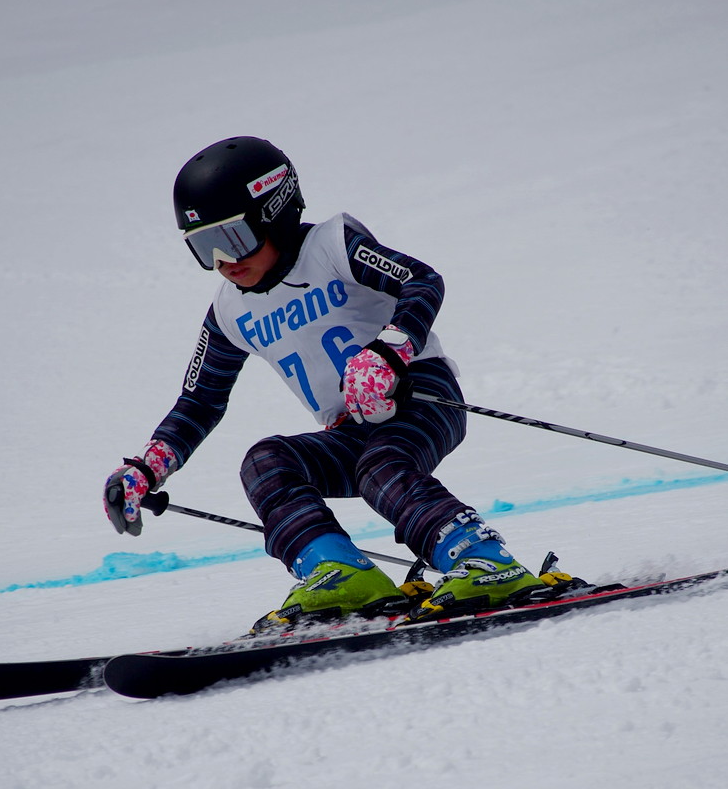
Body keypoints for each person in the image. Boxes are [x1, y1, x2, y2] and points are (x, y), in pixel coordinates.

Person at [103, 136, 544, 633]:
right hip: (350, 426)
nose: (224, 260)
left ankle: (486, 561)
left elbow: (422, 281)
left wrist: (388, 350)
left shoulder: (332, 247)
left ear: (274, 212)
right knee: (266, 461)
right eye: (203, 247)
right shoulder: (229, 311)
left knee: (382, 465)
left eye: (234, 237)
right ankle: (339, 572)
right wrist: (147, 467)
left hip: (419, 393)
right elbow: (200, 400)